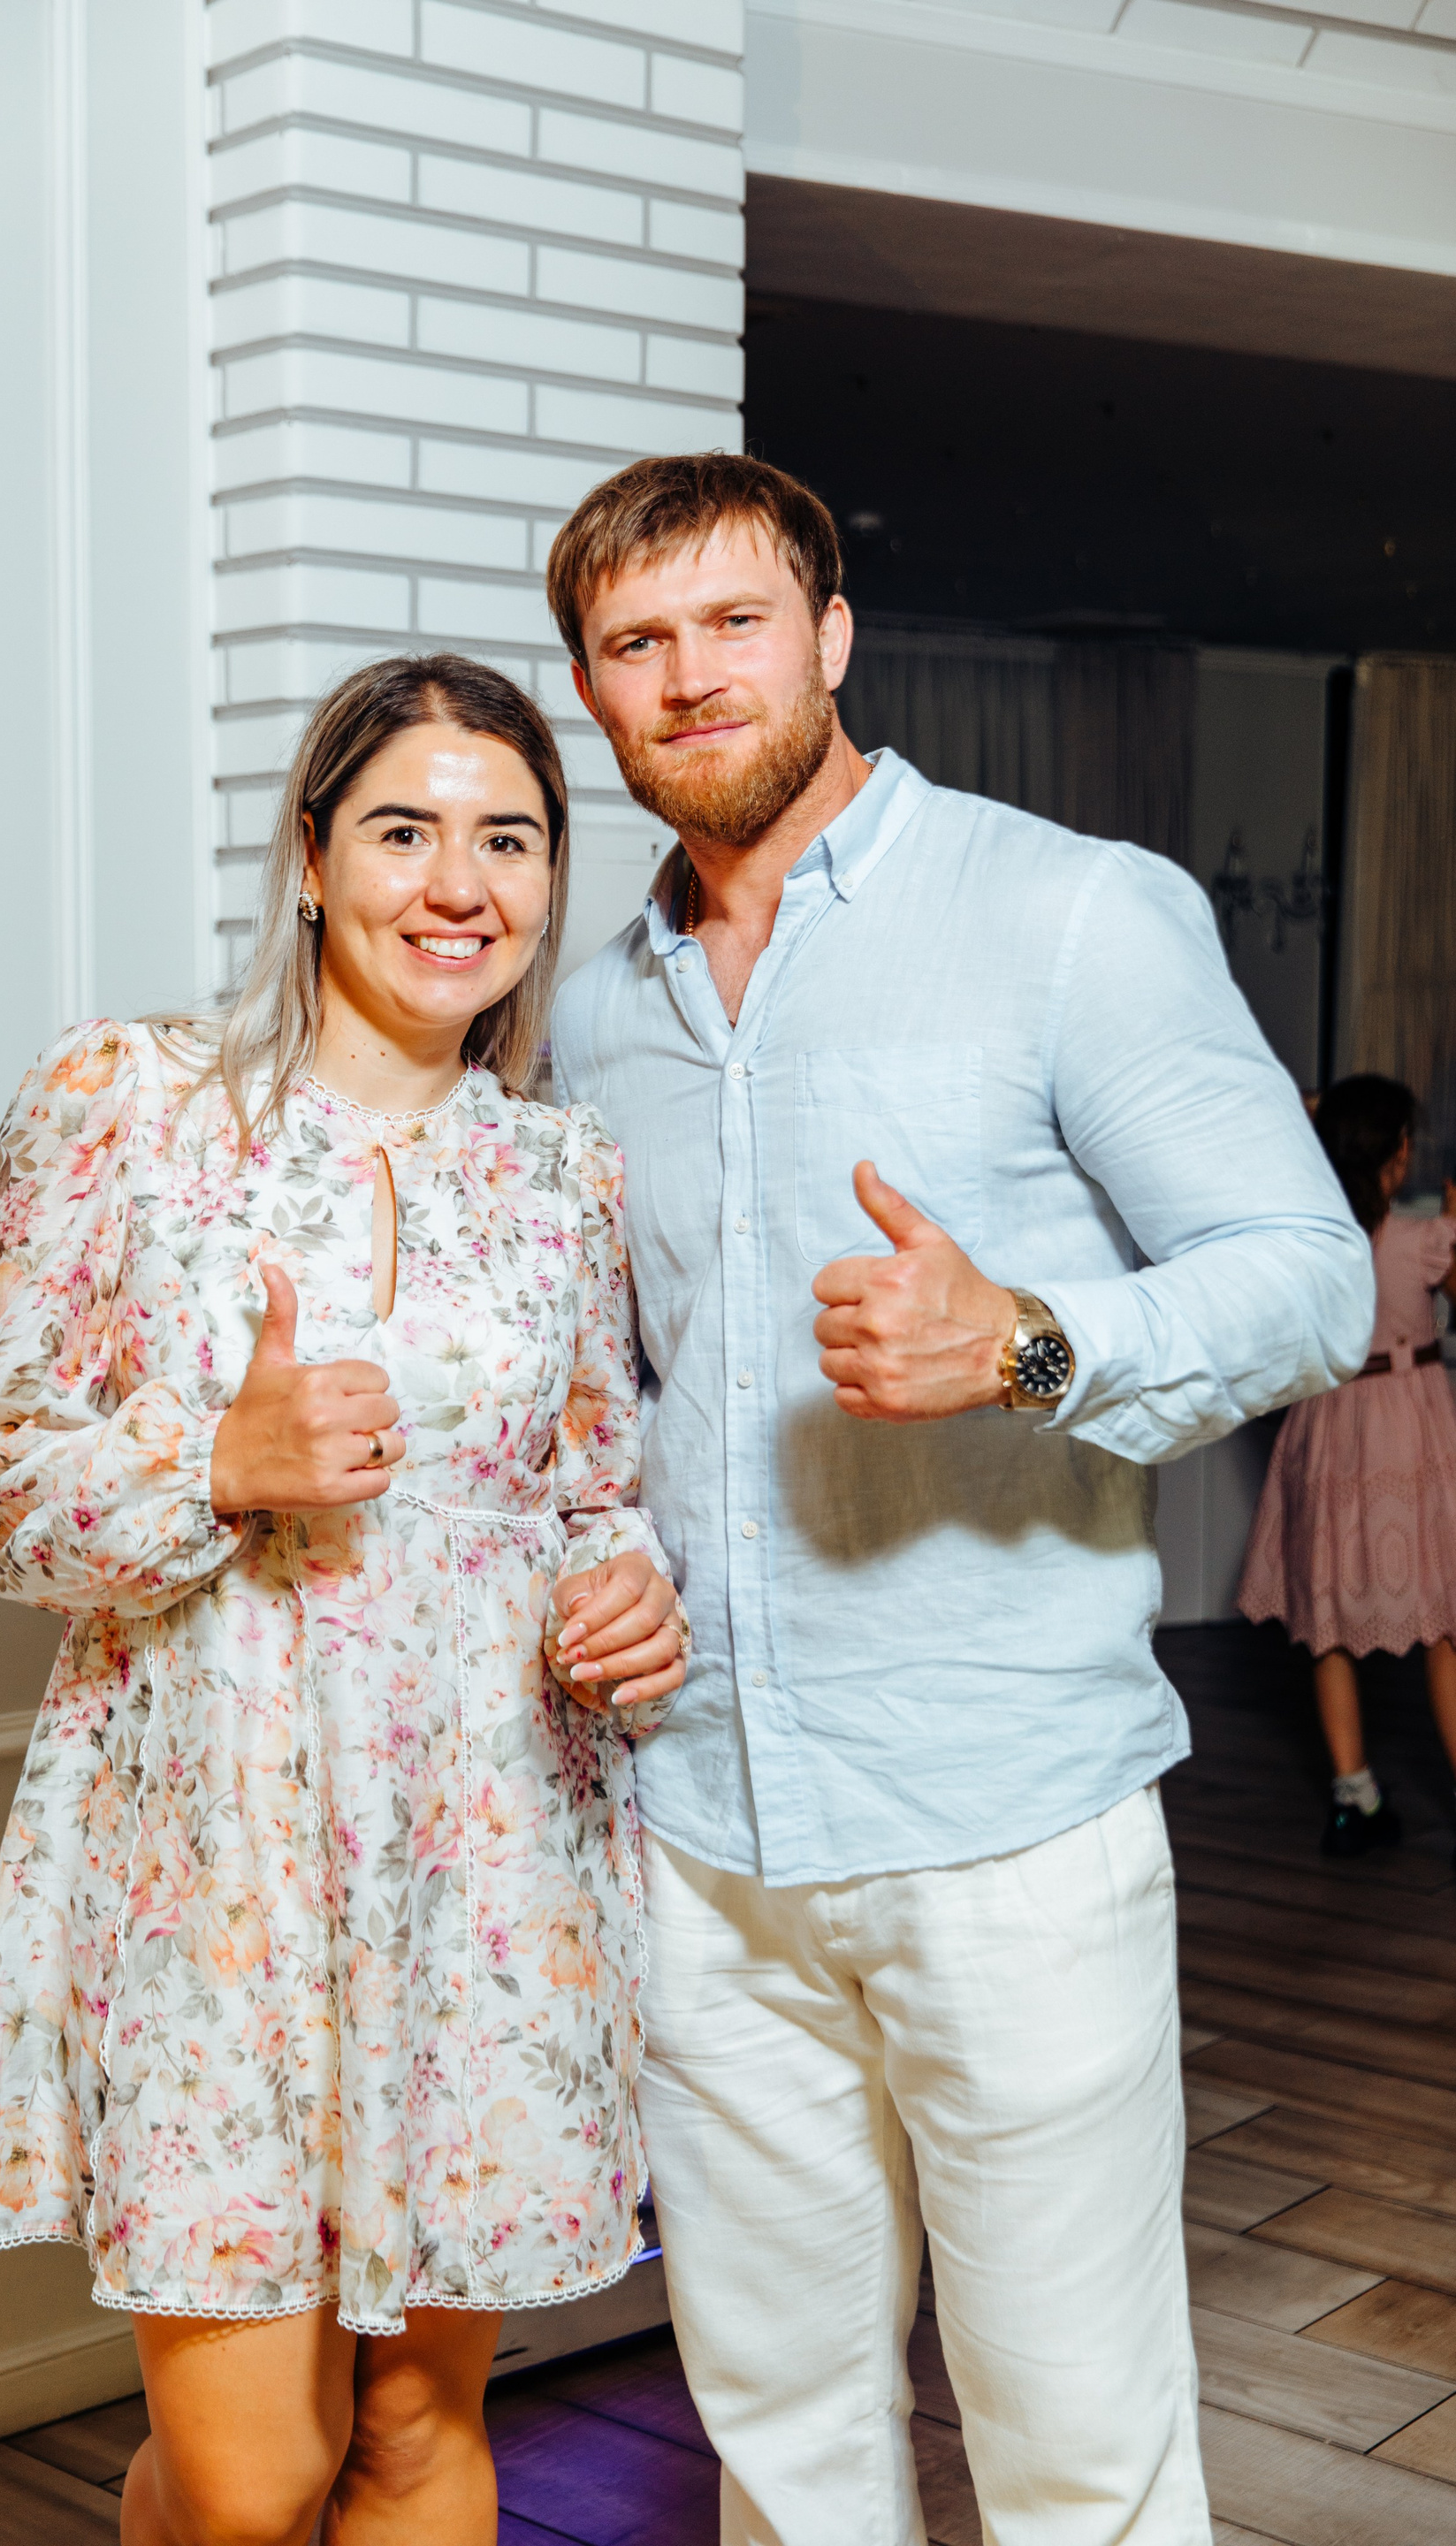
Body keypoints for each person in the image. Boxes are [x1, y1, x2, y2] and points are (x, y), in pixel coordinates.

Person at [545, 454, 1374, 2545]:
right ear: (593, 688)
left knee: (1078, 2446)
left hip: (1003, 1818)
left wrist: (1022, 1341)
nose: (691, 674)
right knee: (780, 2440)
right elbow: (611, 1389)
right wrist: (595, 1556)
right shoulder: (588, 1013)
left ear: (831, 639)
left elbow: (1312, 1281)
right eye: (637, 642)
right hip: (700, 1834)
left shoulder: (1066, 911)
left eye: (737, 622)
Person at [0, 655, 688, 2546]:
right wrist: (214, 1465)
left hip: (491, 1864)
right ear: (314, 858)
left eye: (510, 840)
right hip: (216, 1864)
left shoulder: (562, 1170)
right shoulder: (128, 1100)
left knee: (418, 2437)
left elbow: (595, 1483)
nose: (458, 886)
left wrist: (628, 1596)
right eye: (404, 831)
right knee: (251, 2482)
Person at [1239, 1072, 1456, 1861]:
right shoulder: (1424, 1239)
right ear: (1396, 1157)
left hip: (1330, 1423)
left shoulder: (1310, 1244)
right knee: (1445, 1620)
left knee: (1327, 1619)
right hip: (1412, 1422)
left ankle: (1352, 1795)